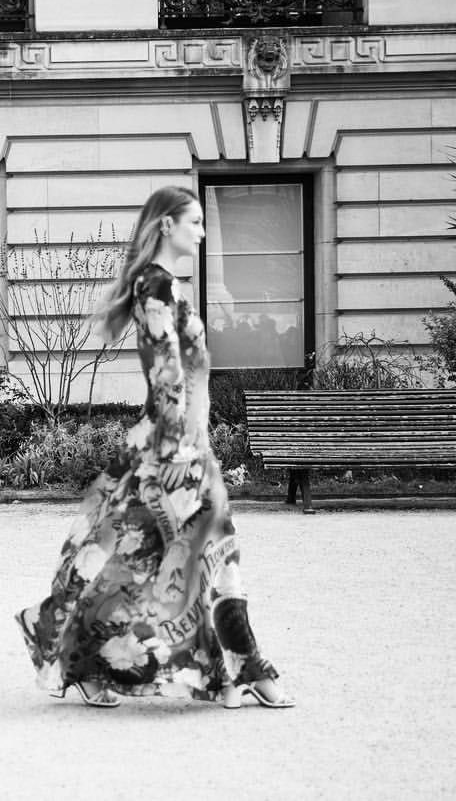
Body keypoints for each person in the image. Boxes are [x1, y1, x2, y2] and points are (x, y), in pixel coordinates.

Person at [16, 184, 295, 710]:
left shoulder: (168, 286)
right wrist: (177, 452)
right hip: (169, 449)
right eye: (195, 222)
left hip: (188, 445)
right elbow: (167, 374)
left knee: (179, 552)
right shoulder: (156, 286)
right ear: (167, 225)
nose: (203, 232)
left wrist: (198, 443)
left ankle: (236, 670)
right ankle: (239, 670)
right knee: (160, 553)